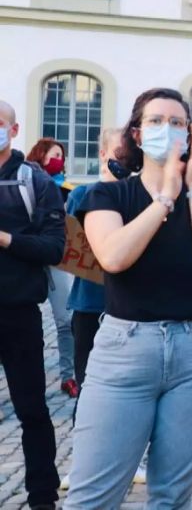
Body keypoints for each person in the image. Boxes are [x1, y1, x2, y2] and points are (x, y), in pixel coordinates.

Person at [64, 88, 192, 508]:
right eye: (156, 121)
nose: (168, 129)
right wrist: (164, 198)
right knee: (91, 496)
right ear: (138, 135)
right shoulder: (107, 196)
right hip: (125, 351)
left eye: (178, 123)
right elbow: (114, 256)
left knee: (169, 497)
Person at [60, 128, 152, 491]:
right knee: (88, 388)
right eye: (118, 154)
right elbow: (71, 242)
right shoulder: (84, 194)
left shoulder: (139, 195)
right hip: (89, 302)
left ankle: (137, 458)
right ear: (102, 154)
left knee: (136, 388)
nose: (122, 162)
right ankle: (84, 461)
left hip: (130, 306)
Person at [0, 100, 65, 510]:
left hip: (18, 311)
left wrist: (5, 239)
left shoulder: (34, 181)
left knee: (31, 410)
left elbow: (54, 249)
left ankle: (42, 497)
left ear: (14, 128)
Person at [26, 137, 77, 397]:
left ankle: (69, 375)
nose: (59, 160)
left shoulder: (64, 186)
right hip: (26, 256)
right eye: (54, 154)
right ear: (41, 154)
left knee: (65, 320)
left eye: (62, 155)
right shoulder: (25, 179)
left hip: (56, 257)